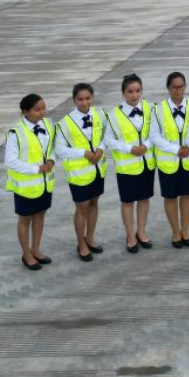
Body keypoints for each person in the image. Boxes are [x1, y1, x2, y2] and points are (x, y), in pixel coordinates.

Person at [54, 83, 107, 262]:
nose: (84, 103)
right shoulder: (65, 123)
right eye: (80, 99)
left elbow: (107, 135)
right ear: (74, 100)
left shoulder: (99, 115)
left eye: (87, 98)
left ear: (92, 98)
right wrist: (82, 152)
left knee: (94, 203)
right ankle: (81, 244)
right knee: (81, 207)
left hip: (97, 169)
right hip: (78, 173)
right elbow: (60, 149)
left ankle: (90, 237)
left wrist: (100, 148)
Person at [104, 74, 155, 253]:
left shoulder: (150, 108)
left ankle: (141, 231)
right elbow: (108, 139)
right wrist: (130, 148)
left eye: (137, 91)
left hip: (147, 162)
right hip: (127, 165)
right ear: (123, 92)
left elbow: (157, 132)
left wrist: (146, 145)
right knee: (127, 202)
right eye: (130, 91)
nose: (134, 95)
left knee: (144, 199)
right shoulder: (113, 114)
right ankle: (130, 235)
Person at [5, 94, 56, 270]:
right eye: (37, 109)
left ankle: (36, 249)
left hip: (44, 184)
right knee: (25, 219)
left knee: (40, 215)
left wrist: (51, 160)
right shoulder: (16, 133)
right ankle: (26, 253)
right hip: (26, 186)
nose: (42, 112)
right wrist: (36, 169)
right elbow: (10, 161)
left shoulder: (48, 125)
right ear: (25, 112)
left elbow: (52, 148)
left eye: (43, 108)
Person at [151, 72, 189, 248]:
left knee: (187, 196)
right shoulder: (159, 109)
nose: (178, 90)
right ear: (168, 88)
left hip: (188, 161)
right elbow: (154, 136)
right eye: (174, 87)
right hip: (168, 162)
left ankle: (186, 230)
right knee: (170, 197)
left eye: (181, 87)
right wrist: (176, 150)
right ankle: (175, 232)